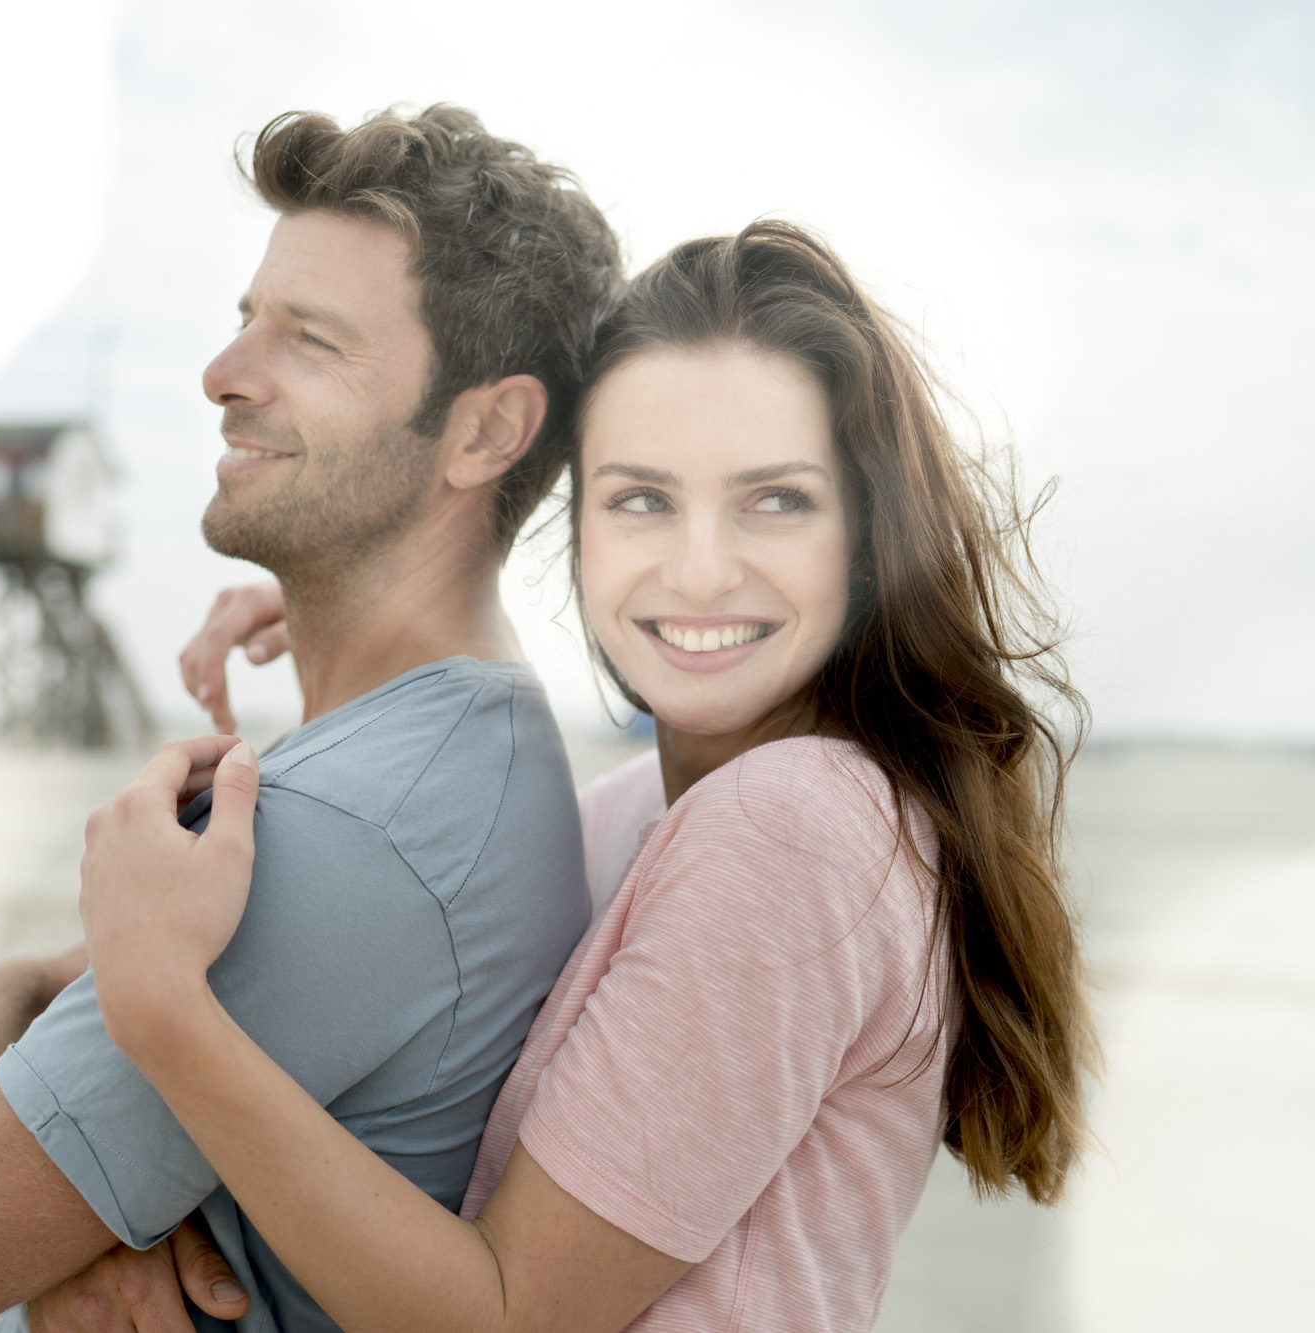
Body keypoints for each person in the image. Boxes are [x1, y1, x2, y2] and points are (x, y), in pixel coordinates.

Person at [68, 220, 1097, 1331]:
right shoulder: (656, 815)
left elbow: (505, 1314)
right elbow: (381, 974)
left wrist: (165, 1021)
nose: (697, 568)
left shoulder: (788, 828)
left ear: (866, 540)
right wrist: (342, 633)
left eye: (773, 500)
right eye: (640, 498)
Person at [0, 104, 624, 1333]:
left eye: (309, 341)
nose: (223, 376)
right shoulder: (467, 748)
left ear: (484, 430)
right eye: (243, 321)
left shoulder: (339, 827)